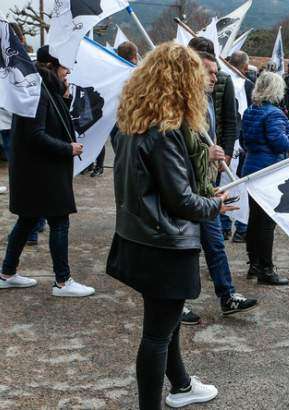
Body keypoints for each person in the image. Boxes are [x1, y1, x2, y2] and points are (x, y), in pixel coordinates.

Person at [107, 42, 235, 408]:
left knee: (167, 322)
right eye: (196, 77)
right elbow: (181, 199)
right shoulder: (167, 128)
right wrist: (217, 203)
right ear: (180, 81)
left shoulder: (135, 119)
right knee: (157, 335)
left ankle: (180, 384)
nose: (201, 84)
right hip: (165, 242)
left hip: (143, 237)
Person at [0, 46, 95, 297]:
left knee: (27, 219)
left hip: (37, 171)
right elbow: (35, 135)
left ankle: (7, 273)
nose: (68, 72)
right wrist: (68, 148)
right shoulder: (38, 92)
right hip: (42, 172)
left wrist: (63, 96)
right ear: (52, 67)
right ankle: (62, 282)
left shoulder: (42, 89)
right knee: (59, 221)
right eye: (64, 67)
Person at [179, 50, 257, 325]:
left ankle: (227, 296)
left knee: (215, 243)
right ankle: (178, 304)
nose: (216, 77)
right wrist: (204, 155)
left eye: (215, 71)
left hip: (205, 184)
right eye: (210, 72)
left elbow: (217, 131)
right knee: (186, 248)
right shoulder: (177, 108)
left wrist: (216, 154)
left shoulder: (208, 99)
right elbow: (173, 156)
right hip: (184, 190)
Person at [242, 71, 289, 285]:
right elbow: (281, 143)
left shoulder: (250, 110)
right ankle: (266, 269)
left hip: (252, 167)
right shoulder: (275, 114)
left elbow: (244, 141)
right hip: (268, 171)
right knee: (266, 223)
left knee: (254, 220)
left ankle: (254, 264)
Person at [188, 37, 238, 239]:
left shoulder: (223, 80)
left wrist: (225, 152)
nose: (214, 78)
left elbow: (229, 119)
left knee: (210, 202)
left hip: (212, 152)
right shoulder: (184, 94)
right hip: (197, 153)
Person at [90, 41, 140, 178]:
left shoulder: (112, 75)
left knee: (121, 157)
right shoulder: (138, 76)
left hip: (115, 120)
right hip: (131, 123)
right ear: (134, 57)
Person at [221, 50, 253, 243]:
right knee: (238, 183)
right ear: (246, 68)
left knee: (226, 182)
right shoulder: (246, 85)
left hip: (225, 141)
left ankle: (225, 227)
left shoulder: (221, 80)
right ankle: (240, 228)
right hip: (236, 142)